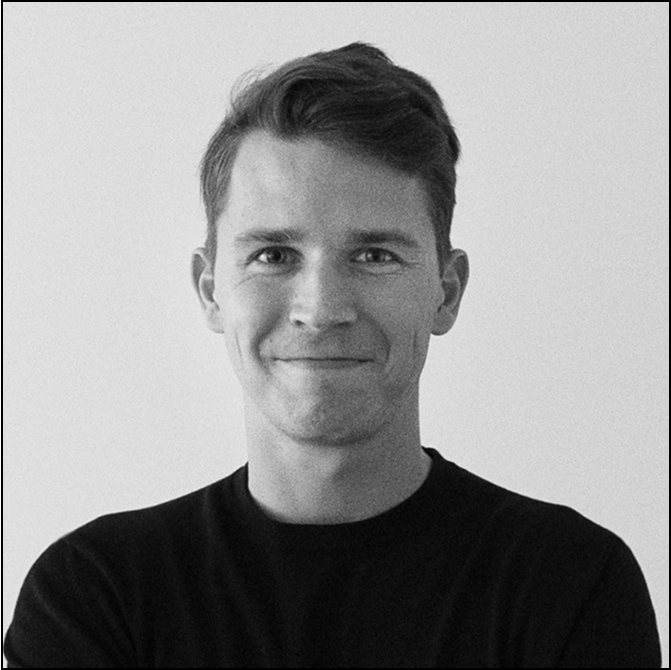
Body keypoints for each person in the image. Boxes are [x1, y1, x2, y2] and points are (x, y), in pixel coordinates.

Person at [3, 42, 661, 669]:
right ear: (209, 290)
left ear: (447, 291)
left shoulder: (567, 584)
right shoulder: (97, 594)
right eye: (273, 255)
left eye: (374, 255)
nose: (320, 309)